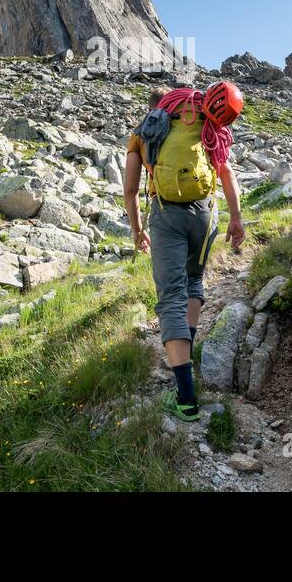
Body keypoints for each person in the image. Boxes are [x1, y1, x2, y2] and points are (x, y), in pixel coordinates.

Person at [124, 81, 245, 421]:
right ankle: (187, 352)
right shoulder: (203, 120)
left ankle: (186, 399)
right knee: (193, 282)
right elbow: (226, 173)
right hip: (205, 214)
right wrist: (236, 219)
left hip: (167, 215)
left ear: (153, 108)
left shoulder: (143, 132)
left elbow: (131, 190)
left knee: (170, 296)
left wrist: (137, 231)